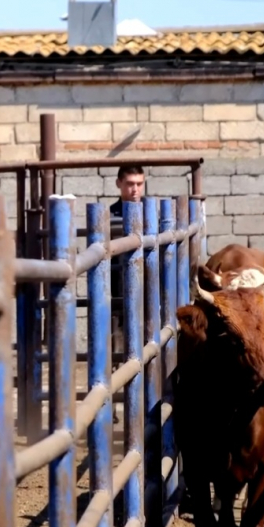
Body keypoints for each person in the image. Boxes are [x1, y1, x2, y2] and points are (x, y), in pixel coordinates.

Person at [108, 165, 146, 423]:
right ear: (118, 184)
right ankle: (107, 405)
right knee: (111, 352)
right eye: (130, 183)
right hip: (114, 296)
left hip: (146, 295)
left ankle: (143, 408)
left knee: (146, 350)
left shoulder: (150, 213)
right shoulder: (108, 217)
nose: (135, 189)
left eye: (139, 184)